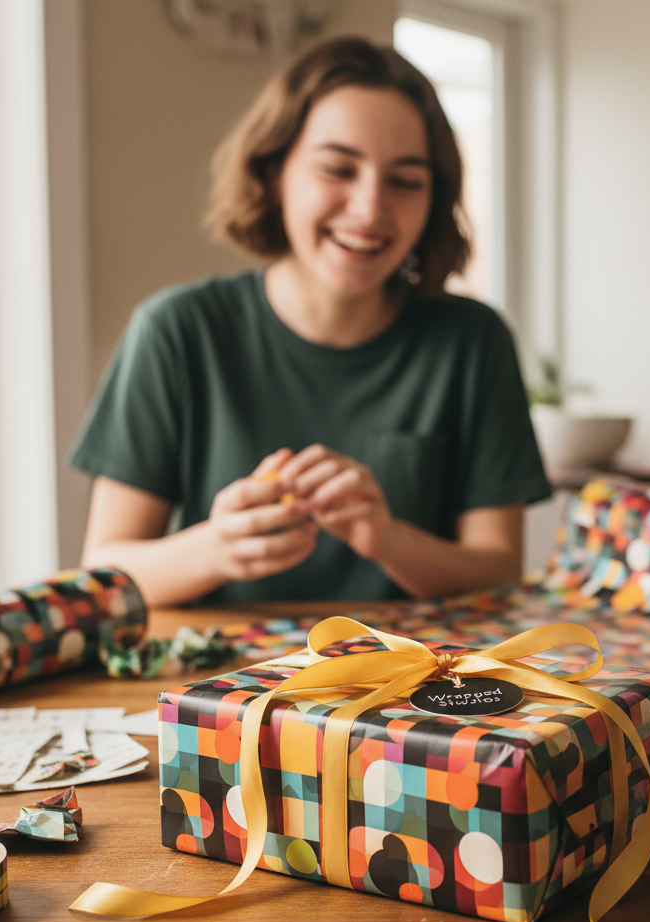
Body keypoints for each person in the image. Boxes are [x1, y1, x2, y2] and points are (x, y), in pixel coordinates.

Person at [71, 37, 550, 607]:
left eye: (405, 181)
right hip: (220, 687)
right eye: (337, 168)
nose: (370, 208)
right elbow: (101, 575)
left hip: (417, 686)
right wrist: (214, 549)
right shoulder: (176, 331)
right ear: (275, 173)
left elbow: (498, 569)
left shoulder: (473, 341)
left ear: (434, 200)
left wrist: (389, 540)